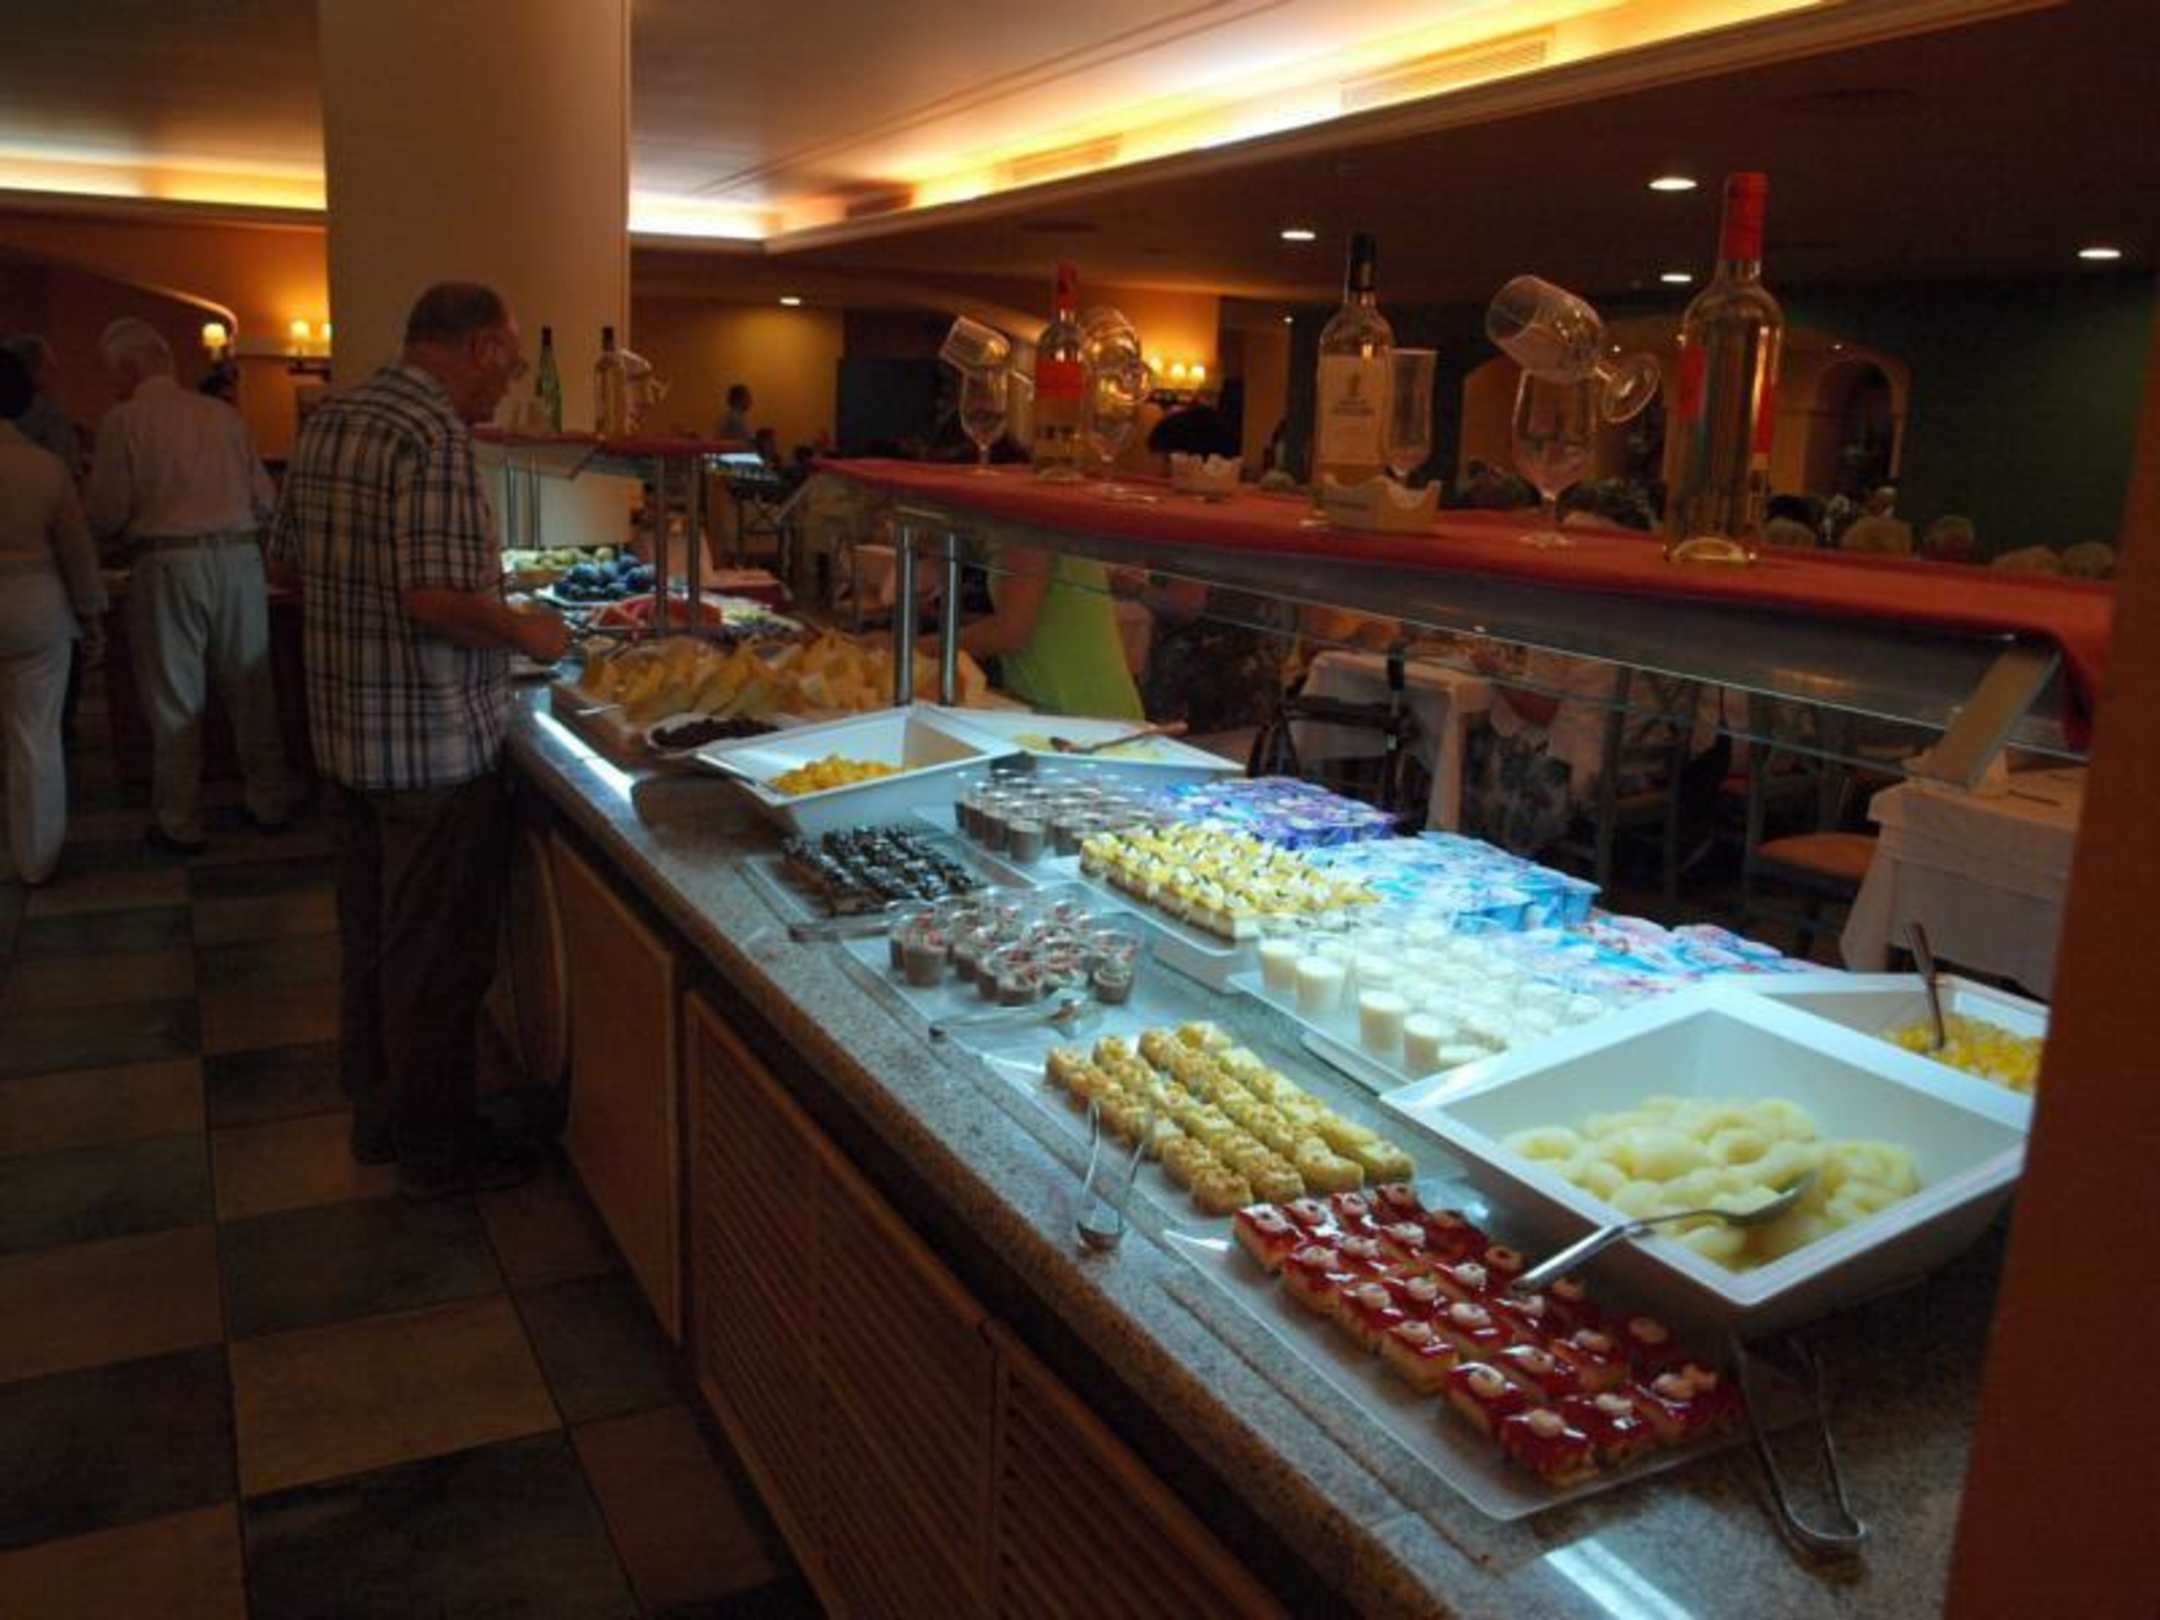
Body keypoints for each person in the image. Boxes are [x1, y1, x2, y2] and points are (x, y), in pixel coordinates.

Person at [270, 281, 570, 1201]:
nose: (508, 381)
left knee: (371, 941)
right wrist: (528, 632)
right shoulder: (433, 433)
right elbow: (433, 597)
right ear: (478, 346)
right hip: (429, 747)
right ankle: (439, 1148)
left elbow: (287, 559)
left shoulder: (332, 417)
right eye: (507, 361)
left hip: (345, 733)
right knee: (436, 960)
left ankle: (379, 1117)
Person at [85, 317, 291, 854]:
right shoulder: (223, 416)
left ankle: (180, 819)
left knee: (175, 697)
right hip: (239, 558)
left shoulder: (123, 421)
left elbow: (106, 511)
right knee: (252, 690)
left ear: (128, 368)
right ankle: (269, 800)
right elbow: (266, 500)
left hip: (168, 562)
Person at [0, 349, 107, 886]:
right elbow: (76, 551)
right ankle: (36, 856)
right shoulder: (44, 467)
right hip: (35, 608)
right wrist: (91, 614)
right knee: (36, 737)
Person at [953, 544, 1142, 721]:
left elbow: (1010, 631)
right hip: (1065, 704)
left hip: (1078, 708)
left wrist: (939, 646)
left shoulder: (1028, 537)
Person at [0, 334, 82, 476]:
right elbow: (68, 475)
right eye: (50, 368)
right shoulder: (53, 420)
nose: (55, 376)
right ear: (33, 372)